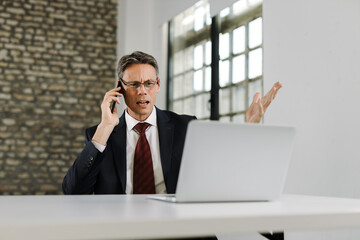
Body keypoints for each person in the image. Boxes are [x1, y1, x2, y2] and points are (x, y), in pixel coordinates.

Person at [62, 51, 282, 195]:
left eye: (148, 83)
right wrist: (105, 128)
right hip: (122, 231)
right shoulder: (101, 135)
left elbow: (221, 169)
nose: (142, 91)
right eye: (134, 84)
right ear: (119, 87)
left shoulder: (186, 128)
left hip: (178, 229)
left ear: (158, 85)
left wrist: (249, 126)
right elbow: (73, 191)